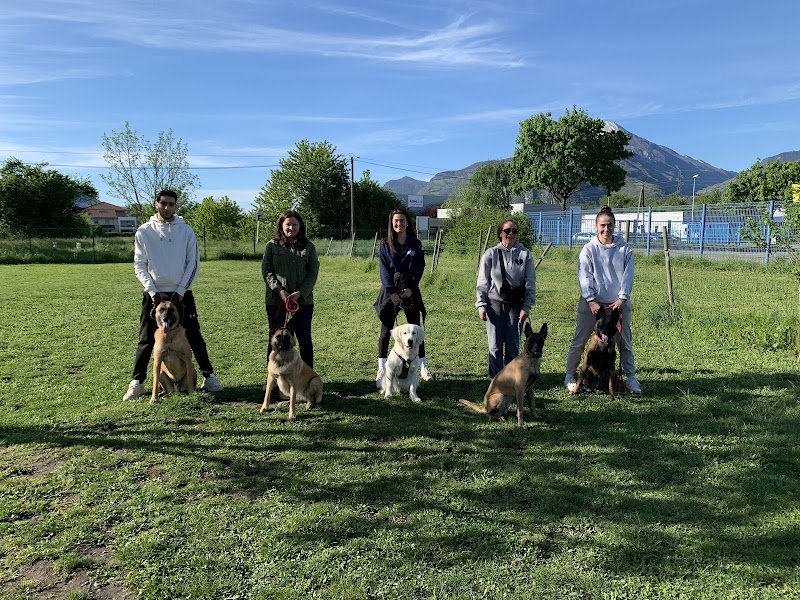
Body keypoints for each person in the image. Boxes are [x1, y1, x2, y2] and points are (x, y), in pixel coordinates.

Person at [122, 190, 223, 401]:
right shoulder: (143, 231)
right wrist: (152, 291)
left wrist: (180, 291)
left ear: (176, 206)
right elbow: (139, 265)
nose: (167, 208)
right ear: (156, 204)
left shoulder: (186, 231)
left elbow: (193, 264)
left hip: (182, 293)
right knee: (145, 338)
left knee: (194, 335)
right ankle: (137, 383)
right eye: (163, 203)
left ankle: (209, 376)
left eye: (171, 204)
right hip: (153, 295)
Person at [565, 205, 641, 396]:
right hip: (592, 304)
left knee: (624, 342)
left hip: (617, 304)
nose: (606, 229)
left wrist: (623, 297)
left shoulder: (624, 249)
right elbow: (584, 275)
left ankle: (631, 378)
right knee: (580, 340)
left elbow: (628, 275)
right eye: (602, 225)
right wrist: (590, 299)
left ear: (615, 226)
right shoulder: (588, 249)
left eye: (610, 225)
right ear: (596, 226)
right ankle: (569, 376)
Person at [375, 208, 432, 387]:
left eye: (402, 220)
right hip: (390, 291)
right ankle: (382, 368)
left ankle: (423, 367)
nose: (399, 224)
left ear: (407, 222)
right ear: (392, 224)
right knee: (386, 329)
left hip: (410, 290)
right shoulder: (385, 245)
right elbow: (384, 270)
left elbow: (419, 268)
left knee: (416, 329)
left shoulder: (415, 244)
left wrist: (410, 288)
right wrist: (392, 292)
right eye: (396, 221)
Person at [476, 219, 536, 378]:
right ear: (500, 233)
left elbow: (530, 282)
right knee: (495, 345)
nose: (511, 234)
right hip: (494, 303)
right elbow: (482, 281)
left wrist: (527, 307)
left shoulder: (525, 254)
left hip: (516, 306)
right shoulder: (491, 253)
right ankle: (495, 379)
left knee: (512, 345)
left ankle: (510, 378)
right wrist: (481, 305)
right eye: (507, 230)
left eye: (514, 231)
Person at [262, 209, 319, 368]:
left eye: (295, 224)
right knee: (275, 338)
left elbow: (313, 273)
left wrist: (300, 293)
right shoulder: (271, 246)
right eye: (288, 224)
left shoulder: (309, 247)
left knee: (304, 338)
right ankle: (273, 377)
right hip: (276, 301)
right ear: (281, 225)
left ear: (300, 226)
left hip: (303, 301)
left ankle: (307, 377)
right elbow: (267, 271)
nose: (291, 228)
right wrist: (280, 291)